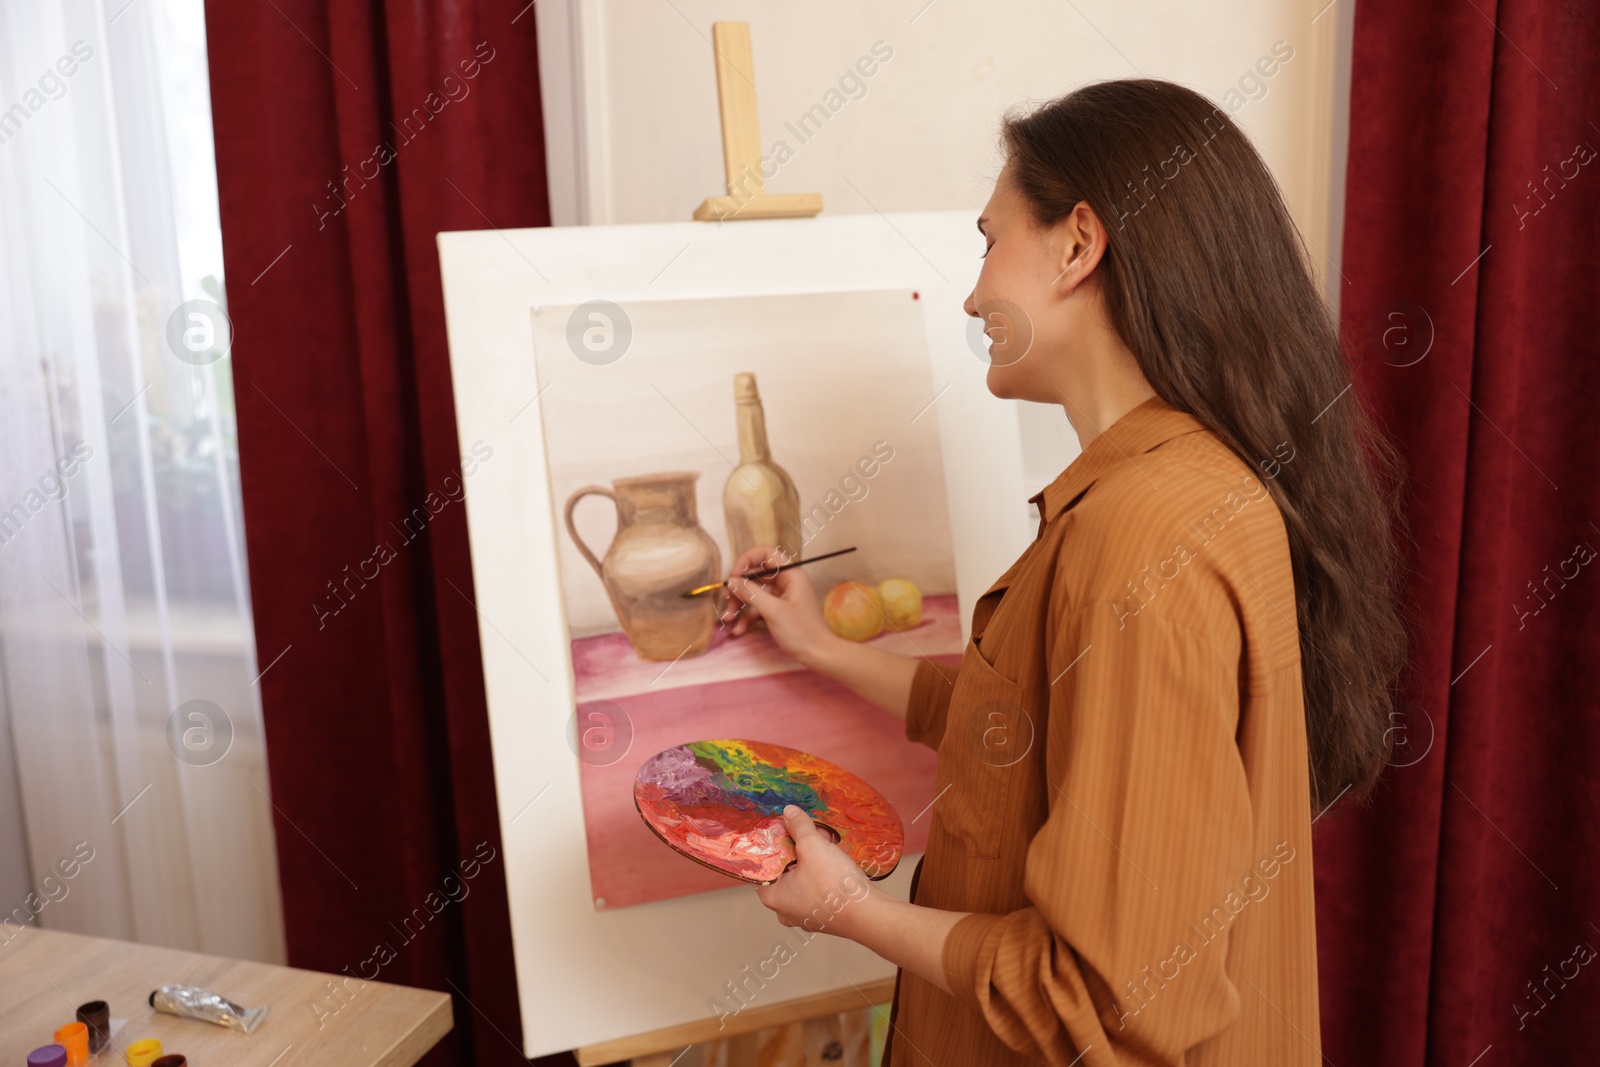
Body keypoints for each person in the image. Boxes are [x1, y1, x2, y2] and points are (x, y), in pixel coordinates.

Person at [719, 78, 1407, 1066]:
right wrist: (819, 645)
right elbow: (1018, 729)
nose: (971, 292)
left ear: (1079, 244)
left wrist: (845, 908)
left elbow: (1099, 997)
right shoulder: (1181, 486)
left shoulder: (1142, 537)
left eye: (989, 240)